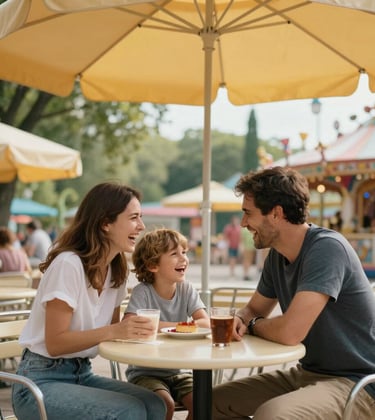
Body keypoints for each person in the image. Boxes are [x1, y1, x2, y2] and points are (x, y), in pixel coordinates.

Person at [212, 167, 375, 419]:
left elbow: (290, 333)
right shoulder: (277, 255)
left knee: (274, 414)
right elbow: (253, 309)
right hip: (308, 374)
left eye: (248, 213)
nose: (243, 223)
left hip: (359, 383)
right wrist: (242, 318)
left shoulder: (327, 249)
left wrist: (252, 325)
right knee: (210, 402)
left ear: (276, 213)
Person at [13, 182, 166, 420]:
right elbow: (55, 343)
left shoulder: (117, 270)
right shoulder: (68, 264)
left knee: (156, 405)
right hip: (38, 382)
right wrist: (117, 330)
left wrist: (154, 332)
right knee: (129, 411)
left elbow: (113, 334)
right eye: (134, 217)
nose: (142, 226)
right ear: (105, 223)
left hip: (82, 373)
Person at [124, 228, 210, 420]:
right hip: (144, 372)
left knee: (203, 404)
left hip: (179, 371)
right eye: (174, 254)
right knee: (165, 405)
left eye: (184, 253)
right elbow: (130, 323)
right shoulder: (143, 292)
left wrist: (166, 327)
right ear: (153, 265)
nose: (183, 259)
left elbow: (205, 322)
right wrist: (179, 327)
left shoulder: (186, 289)